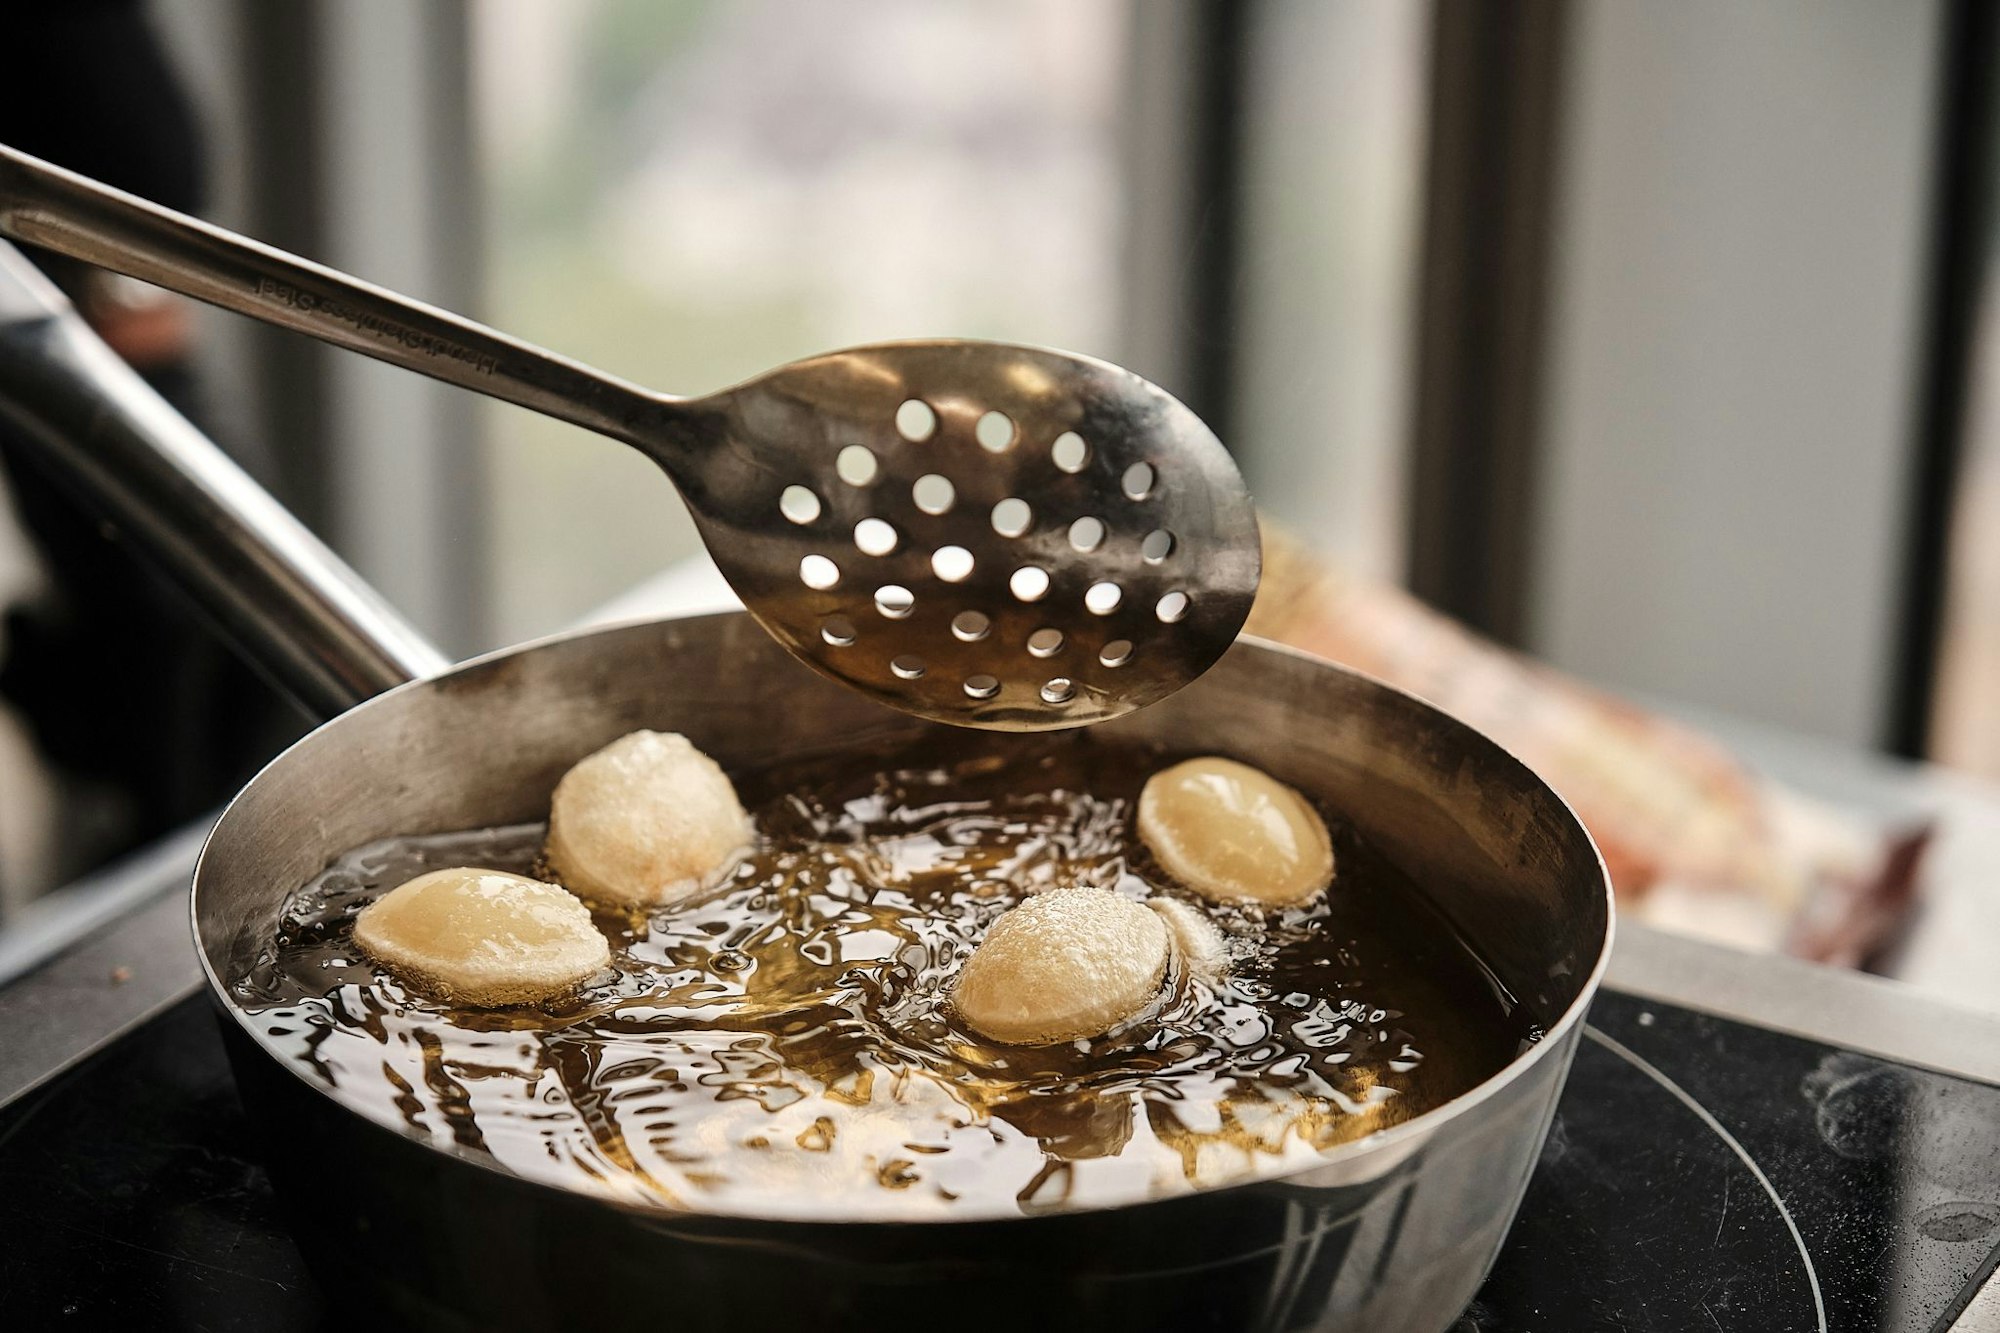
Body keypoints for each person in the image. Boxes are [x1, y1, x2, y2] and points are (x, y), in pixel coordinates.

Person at [0, 0, 295, 905]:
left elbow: (140, 143)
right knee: (170, 663)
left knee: (234, 653)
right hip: (77, 312)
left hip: (112, 314)